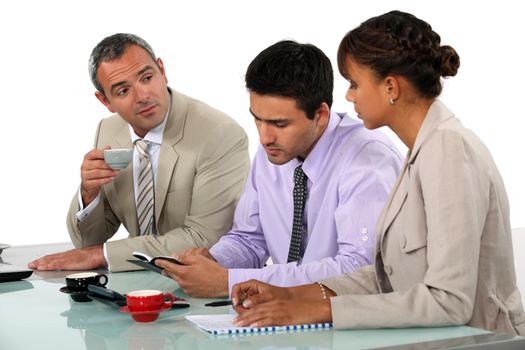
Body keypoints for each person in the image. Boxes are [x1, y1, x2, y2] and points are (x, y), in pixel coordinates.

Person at [230, 11, 525, 335]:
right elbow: (389, 275)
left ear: (390, 87)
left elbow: (448, 301)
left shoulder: (448, 150)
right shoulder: (422, 149)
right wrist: (290, 295)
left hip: (479, 341)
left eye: (355, 83)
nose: (349, 96)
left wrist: (322, 309)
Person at [155, 40, 402, 297]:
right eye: (257, 119)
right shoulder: (273, 151)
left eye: (279, 123)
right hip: (286, 315)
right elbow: (249, 239)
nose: (264, 137)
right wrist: (215, 262)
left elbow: (358, 269)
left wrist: (230, 281)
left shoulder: (368, 159)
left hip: (346, 321)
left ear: (321, 115)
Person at [29, 33, 250, 272]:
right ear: (106, 102)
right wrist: (88, 193)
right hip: (135, 285)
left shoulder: (219, 134)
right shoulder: (109, 130)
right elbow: (86, 245)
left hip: (206, 285)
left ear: (162, 71)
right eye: (123, 91)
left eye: (146, 78)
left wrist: (104, 254)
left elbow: (205, 239)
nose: (143, 96)